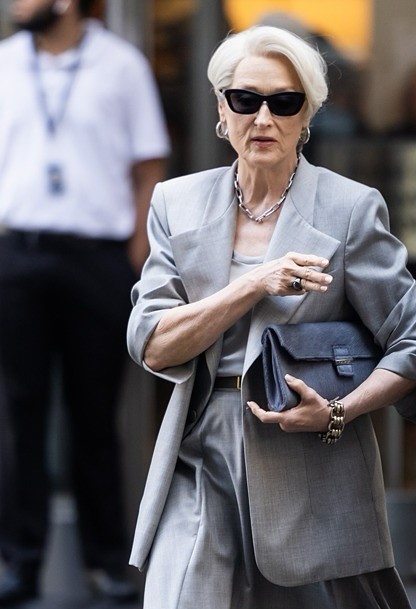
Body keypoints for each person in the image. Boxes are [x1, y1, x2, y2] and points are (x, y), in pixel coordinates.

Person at [126, 25, 416, 609]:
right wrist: (252, 284)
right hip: (200, 451)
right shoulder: (176, 202)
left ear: (307, 115)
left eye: (284, 102)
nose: (263, 118)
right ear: (222, 109)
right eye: (246, 99)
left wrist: (339, 411)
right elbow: (152, 344)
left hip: (310, 460)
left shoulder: (349, 208)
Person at [0, 0, 169, 604]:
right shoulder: (4, 62)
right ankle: (19, 562)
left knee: (95, 415)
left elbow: (149, 165)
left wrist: (135, 254)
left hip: (97, 257)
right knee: (19, 414)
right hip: (18, 252)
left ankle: (105, 563)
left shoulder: (121, 65)